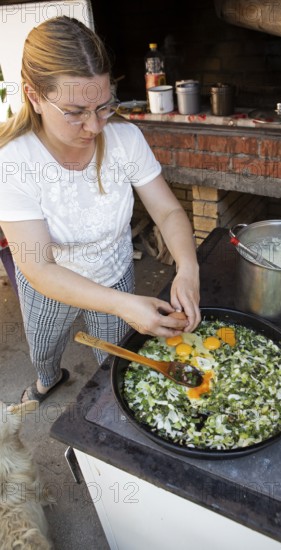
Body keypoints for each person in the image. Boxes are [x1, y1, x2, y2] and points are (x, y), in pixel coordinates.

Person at [0, 16, 201, 404]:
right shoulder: (13, 162)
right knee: (44, 344)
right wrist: (125, 305)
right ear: (34, 96)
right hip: (49, 287)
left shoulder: (124, 139)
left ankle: (108, 394)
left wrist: (187, 268)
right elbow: (39, 267)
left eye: (104, 106)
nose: (94, 126)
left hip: (114, 272)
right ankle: (47, 378)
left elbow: (168, 212)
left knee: (115, 358)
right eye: (75, 111)